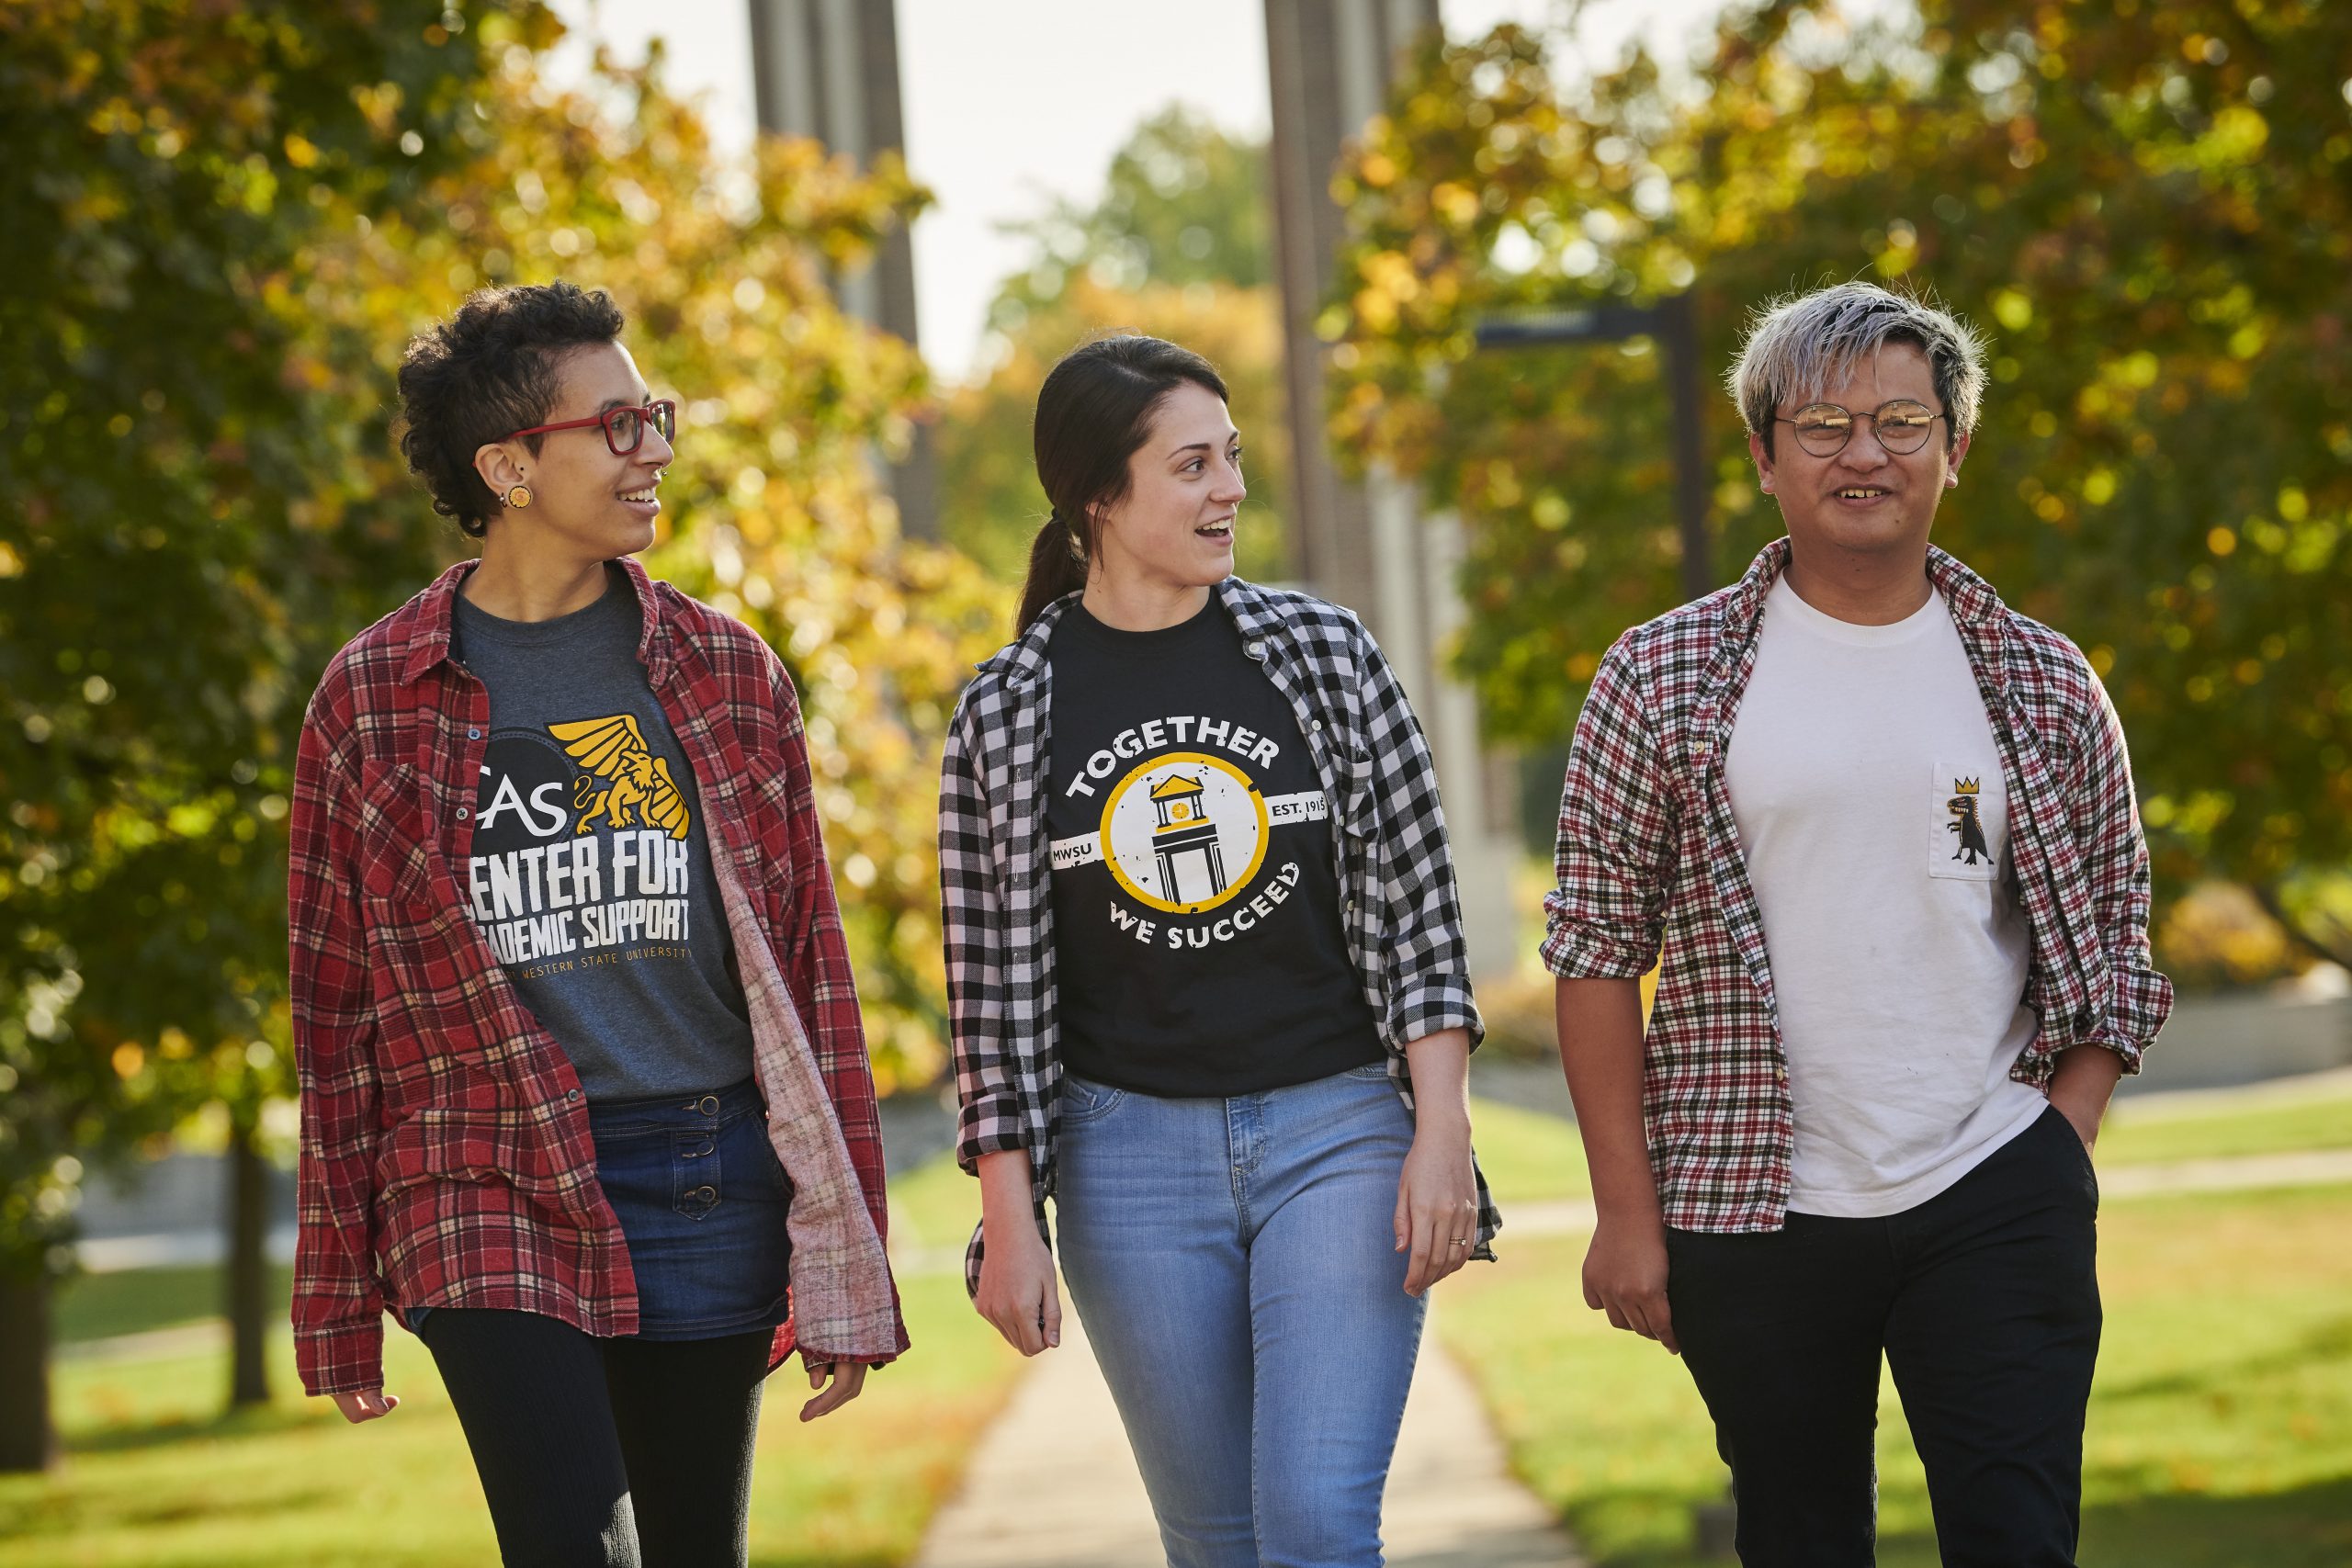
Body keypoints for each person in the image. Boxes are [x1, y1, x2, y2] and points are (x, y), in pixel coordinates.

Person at [1544, 280, 2172, 1567]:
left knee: (2018, 1538)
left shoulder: (2042, 679)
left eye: (1901, 421)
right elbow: (1598, 950)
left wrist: (2063, 1138)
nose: (1866, 453)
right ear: (1766, 456)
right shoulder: (1659, 677)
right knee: (1801, 1540)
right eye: (1824, 426)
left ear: (1954, 449)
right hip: (1751, 1205)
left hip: (1994, 1181)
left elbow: (2117, 930)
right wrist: (1626, 1211)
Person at [288, 281, 905, 1568]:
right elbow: (334, 1013)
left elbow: (809, 972)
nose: (656, 450)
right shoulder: (371, 699)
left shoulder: (727, 670)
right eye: (616, 426)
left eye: (656, 417)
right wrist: (339, 1290)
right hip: (481, 1173)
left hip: (701, 1168)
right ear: (510, 465)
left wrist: (849, 1254)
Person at [937, 333, 1499, 1566]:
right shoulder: (1008, 707)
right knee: (1215, 1542)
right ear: (1098, 494)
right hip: (1127, 1159)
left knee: (1313, 1520)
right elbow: (992, 991)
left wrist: (1442, 1129)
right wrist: (1009, 1211)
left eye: (1232, 459)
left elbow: (1419, 908)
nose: (1230, 490)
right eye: (1192, 465)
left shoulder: (1323, 653)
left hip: (1337, 1132)